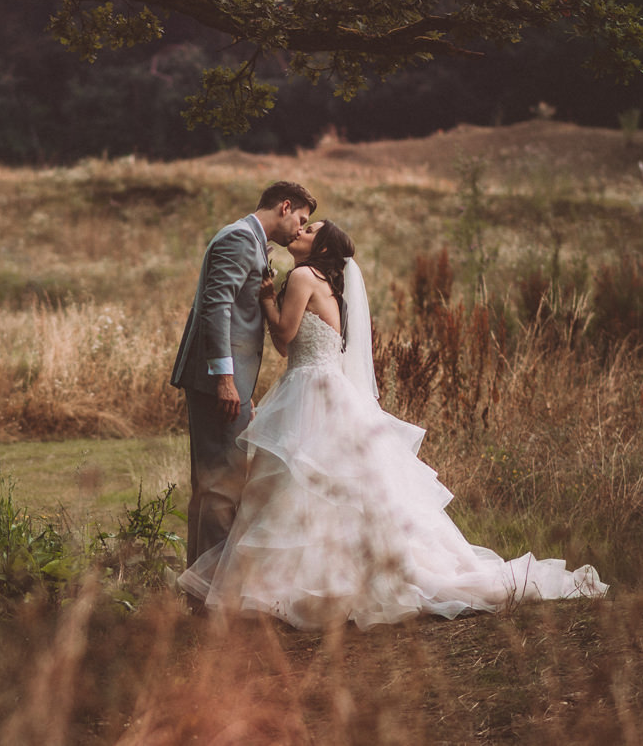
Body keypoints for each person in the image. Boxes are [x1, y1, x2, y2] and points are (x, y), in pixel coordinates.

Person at [178, 220, 608, 629]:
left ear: (322, 247)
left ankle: (305, 586)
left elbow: (285, 337)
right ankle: (331, 581)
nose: (301, 231)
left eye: (310, 229)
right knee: (325, 488)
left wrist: (267, 298)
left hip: (308, 390)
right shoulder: (329, 283)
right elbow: (290, 341)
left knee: (299, 485)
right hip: (326, 388)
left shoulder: (305, 276)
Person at [171, 181, 317, 570]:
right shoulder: (238, 239)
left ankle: (200, 587)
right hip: (216, 380)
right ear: (285, 206)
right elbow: (216, 308)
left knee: (213, 484)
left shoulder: (248, 240)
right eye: (301, 219)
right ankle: (211, 591)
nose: (300, 229)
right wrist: (224, 379)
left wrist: (242, 387)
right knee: (221, 486)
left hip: (230, 381)